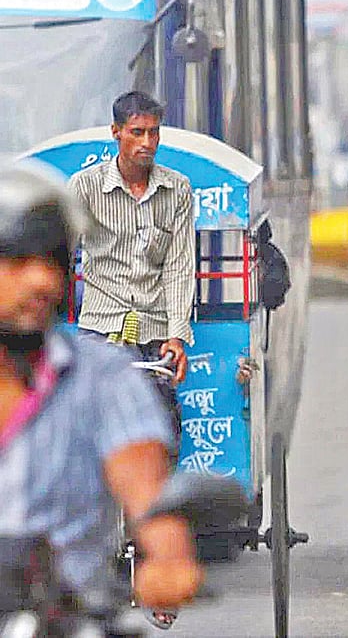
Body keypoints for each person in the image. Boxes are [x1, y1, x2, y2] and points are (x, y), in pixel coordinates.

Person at [0, 164, 201, 624]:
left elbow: (146, 491)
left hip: (66, 613)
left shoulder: (104, 376)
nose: (42, 281)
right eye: (18, 262)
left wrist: (167, 559)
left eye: (53, 262)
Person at [68, 91, 194, 405]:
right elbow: (59, 254)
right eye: (137, 132)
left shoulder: (177, 189)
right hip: (100, 329)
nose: (147, 142)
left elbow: (179, 267)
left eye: (153, 133)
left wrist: (176, 336)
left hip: (155, 336)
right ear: (116, 132)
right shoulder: (85, 186)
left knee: (161, 419)